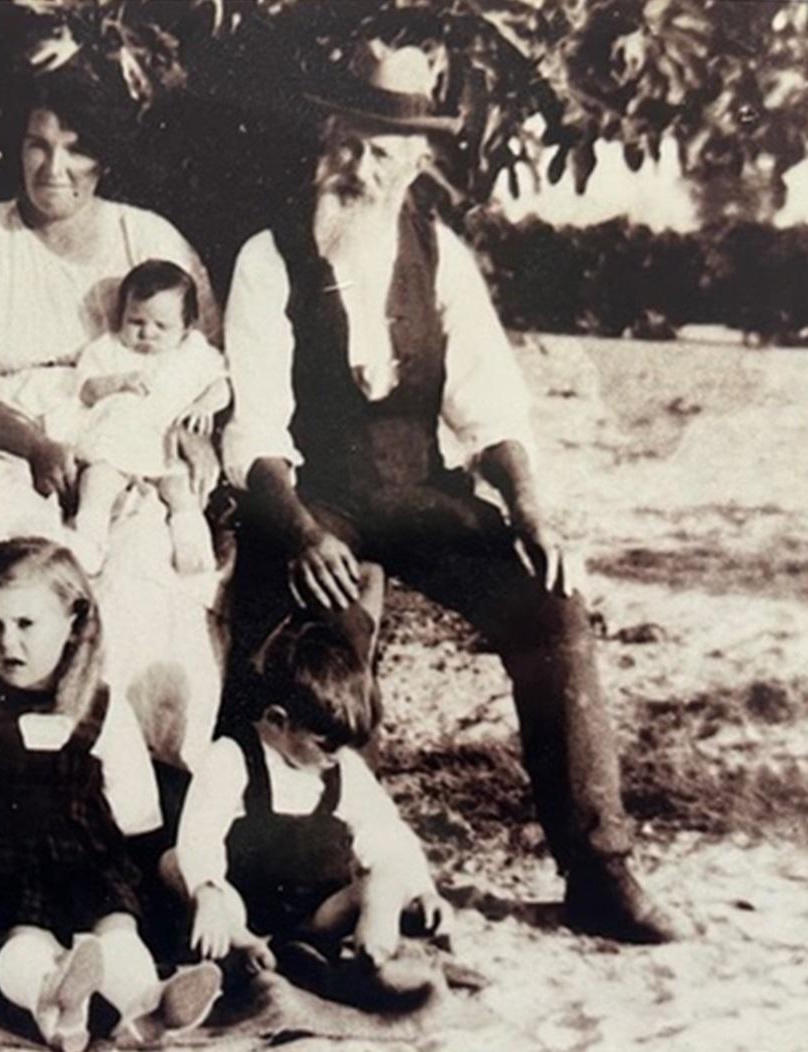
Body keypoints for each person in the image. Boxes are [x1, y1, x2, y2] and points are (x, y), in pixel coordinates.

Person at [222, 40, 690, 944]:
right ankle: (324, 882)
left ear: (415, 164)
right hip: (315, 500)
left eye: (382, 152)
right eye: (349, 142)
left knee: (553, 608)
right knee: (327, 646)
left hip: (420, 494)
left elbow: (492, 407)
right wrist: (305, 532)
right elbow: (256, 429)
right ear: (327, 138)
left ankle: (600, 870)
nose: (358, 167)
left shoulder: (442, 255)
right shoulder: (268, 257)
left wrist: (531, 509)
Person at [0, 67, 225, 771]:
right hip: (4, 451)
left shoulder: (148, 237)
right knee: (30, 577)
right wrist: (35, 444)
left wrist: (194, 438)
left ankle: (136, 784)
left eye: (75, 148)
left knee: (140, 582)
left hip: (127, 454)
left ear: (105, 156)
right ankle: (9, 774)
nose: (54, 167)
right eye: (37, 145)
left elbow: (201, 363)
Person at [0, 539, 222, 1050]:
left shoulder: (102, 708)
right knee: (24, 944)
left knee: (117, 931)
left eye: (26, 624)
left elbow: (144, 833)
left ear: (74, 622)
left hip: (87, 870)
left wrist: (202, 891)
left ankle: (145, 1003)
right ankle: (53, 997)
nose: (8, 643)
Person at [163, 608, 450, 1010]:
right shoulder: (232, 757)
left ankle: (375, 959)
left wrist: (422, 890)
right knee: (176, 863)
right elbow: (200, 833)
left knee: (386, 879)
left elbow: (384, 832)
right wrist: (208, 892)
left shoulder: (341, 768)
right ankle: (244, 948)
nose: (335, 757)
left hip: (318, 916)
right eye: (324, 744)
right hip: (245, 910)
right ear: (278, 721)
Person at [62, 260, 231, 575]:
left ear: (187, 326)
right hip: (115, 438)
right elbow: (85, 389)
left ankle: (191, 543)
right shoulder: (109, 348)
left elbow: (222, 384)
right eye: (135, 321)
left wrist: (204, 405)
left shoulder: (194, 352)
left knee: (181, 489)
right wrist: (117, 382)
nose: (146, 333)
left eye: (161, 326)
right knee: (97, 481)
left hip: (165, 441)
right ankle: (89, 538)